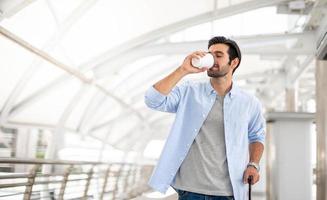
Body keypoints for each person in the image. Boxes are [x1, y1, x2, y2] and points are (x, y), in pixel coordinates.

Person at [144, 36, 265, 200]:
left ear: (234, 63)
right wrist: (183, 70)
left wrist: (253, 164)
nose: (212, 59)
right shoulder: (189, 91)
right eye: (210, 54)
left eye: (219, 55)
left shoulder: (249, 103)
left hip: (228, 192)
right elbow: (153, 100)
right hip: (189, 190)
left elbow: (257, 136)